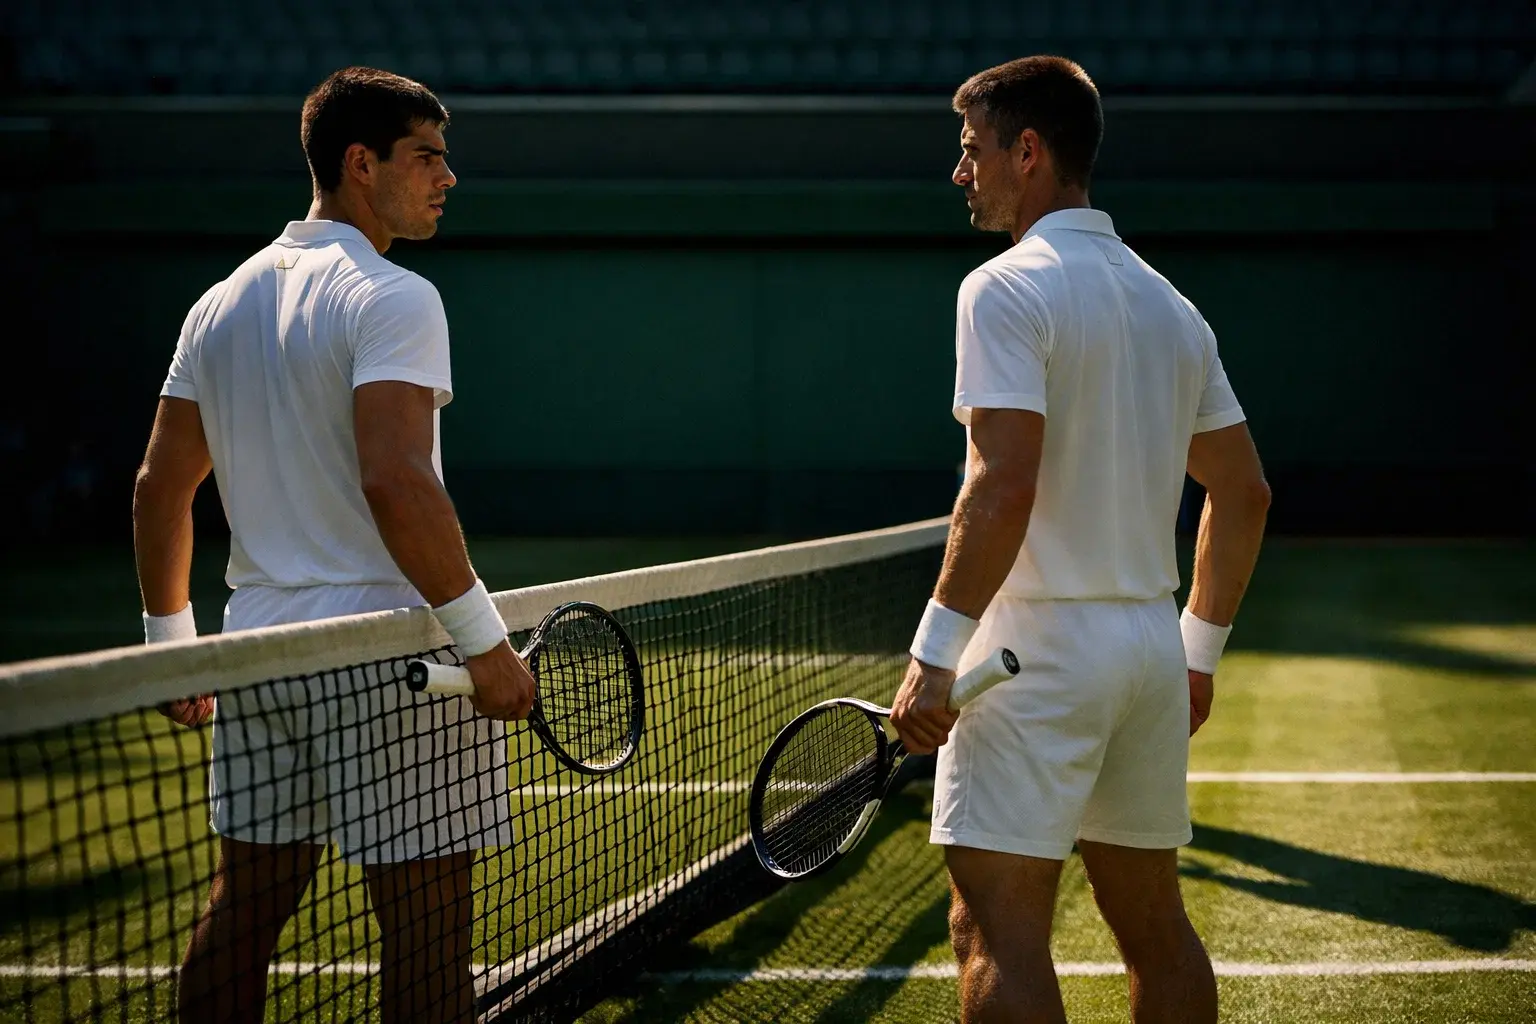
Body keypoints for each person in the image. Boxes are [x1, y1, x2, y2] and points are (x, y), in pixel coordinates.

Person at [131, 66, 536, 1024]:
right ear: (362, 164)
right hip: (385, 655)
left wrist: (171, 648)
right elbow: (396, 480)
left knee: (245, 910)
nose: (448, 178)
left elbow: (159, 488)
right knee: (429, 935)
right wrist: (485, 643)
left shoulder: (216, 303)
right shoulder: (397, 295)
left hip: (255, 653)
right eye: (428, 157)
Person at [890, 56, 1271, 1024]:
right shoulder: (1173, 306)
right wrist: (1195, 654)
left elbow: (1002, 478)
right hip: (1146, 652)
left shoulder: (1002, 289)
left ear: (1029, 152)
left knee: (996, 931)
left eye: (973, 151)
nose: (959, 172)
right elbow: (1246, 492)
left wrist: (933, 655)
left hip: (1034, 658)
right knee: (1154, 926)